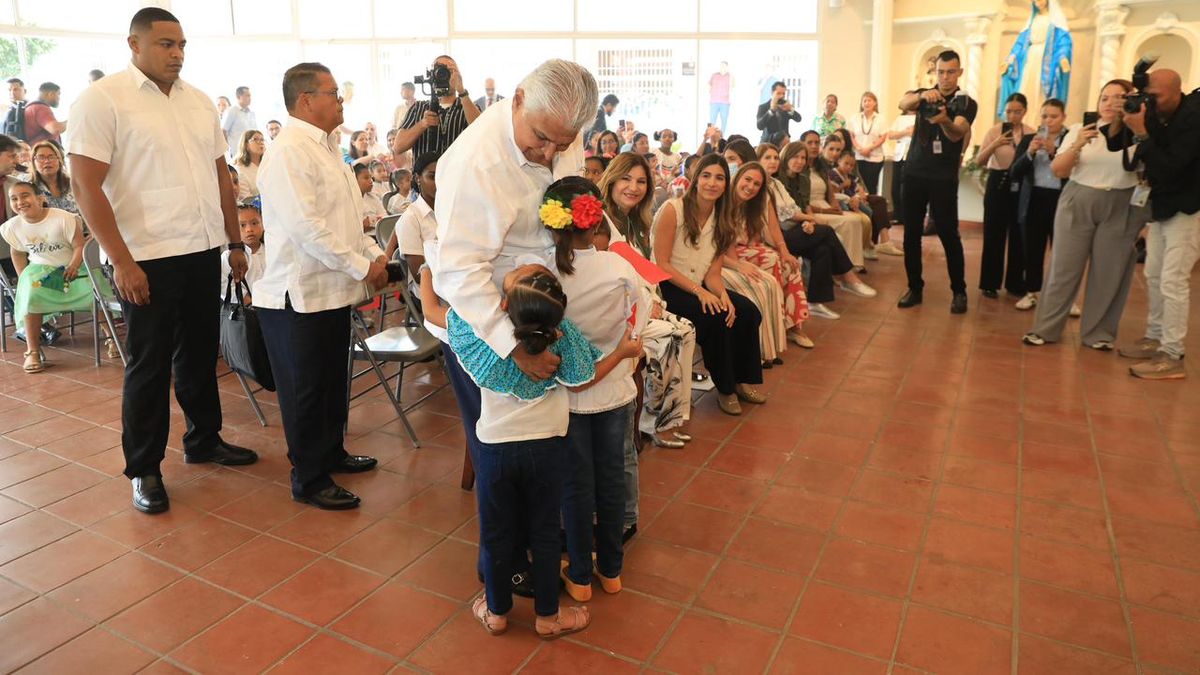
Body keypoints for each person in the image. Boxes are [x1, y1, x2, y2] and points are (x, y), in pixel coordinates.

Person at [68, 7, 258, 515]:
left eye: (181, 45)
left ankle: (204, 439)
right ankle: (144, 468)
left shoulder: (198, 101)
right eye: (165, 44)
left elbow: (220, 178)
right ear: (135, 44)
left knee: (199, 353)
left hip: (201, 249)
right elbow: (85, 187)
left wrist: (233, 242)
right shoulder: (103, 99)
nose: (176, 54)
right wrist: (121, 260)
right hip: (145, 257)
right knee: (149, 365)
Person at [433, 58, 596, 640]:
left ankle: (534, 567)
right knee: (497, 473)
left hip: (541, 308)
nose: (549, 153)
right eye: (541, 139)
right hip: (488, 325)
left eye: (563, 144)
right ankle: (498, 581)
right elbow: (457, 274)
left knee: (541, 466)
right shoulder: (475, 162)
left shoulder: (559, 136)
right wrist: (511, 347)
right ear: (519, 98)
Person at [254, 62, 387, 511]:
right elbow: (307, 229)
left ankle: (331, 452)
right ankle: (309, 477)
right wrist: (361, 267)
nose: (341, 100)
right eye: (333, 93)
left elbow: (346, 219)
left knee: (331, 380)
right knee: (305, 390)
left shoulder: (328, 147)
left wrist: (372, 255)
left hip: (332, 288)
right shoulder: (290, 151)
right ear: (306, 100)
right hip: (298, 294)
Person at [540, 176, 647, 605]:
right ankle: (612, 570)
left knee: (576, 484)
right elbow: (640, 317)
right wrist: (624, 348)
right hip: (615, 387)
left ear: (551, 222)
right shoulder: (618, 267)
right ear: (597, 221)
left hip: (568, 393)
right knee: (611, 478)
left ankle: (581, 576)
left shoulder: (544, 273)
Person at [1022, 80, 1144, 352]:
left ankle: (1098, 333)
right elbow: (1059, 170)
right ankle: (1045, 328)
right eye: (1104, 97)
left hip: (1121, 202)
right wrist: (1077, 144)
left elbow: (1146, 170)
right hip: (1078, 199)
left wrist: (1139, 129)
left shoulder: (1139, 134)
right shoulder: (1080, 129)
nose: (1110, 103)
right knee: (1063, 267)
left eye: (1119, 97)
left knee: (1110, 271)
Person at [651, 153, 765, 416]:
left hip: (698, 283)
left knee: (747, 312)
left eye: (719, 178)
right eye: (706, 176)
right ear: (695, 178)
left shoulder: (722, 219)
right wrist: (701, 292)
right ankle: (725, 389)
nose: (712, 183)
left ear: (726, 184)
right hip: (666, 286)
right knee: (715, 317)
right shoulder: (673, 209)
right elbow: (662, 265)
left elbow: (713, 272)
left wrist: (723, 295)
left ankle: (742, 381)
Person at [1119, 69, 1200, 379]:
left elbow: (1170, 166)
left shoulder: (1193, 119)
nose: (1150, 102)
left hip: (1188, 208)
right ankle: (1155, 338)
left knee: (1173, 281)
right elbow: (1136, 157)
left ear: (1177, 92)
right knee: (1153, 274)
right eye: (1147, 96)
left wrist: (1142, 132)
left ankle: (1172, 354)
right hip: (1162, 206)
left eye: (1156, 97)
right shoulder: (1158, 115)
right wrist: (1133, 124)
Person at [896, 50, 978, 313]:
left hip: (943, 178)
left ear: (959, 73)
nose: (945, 77)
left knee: (948, 234)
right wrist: (922, 96)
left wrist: (944, 121)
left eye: (951, 72)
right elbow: (902, 103)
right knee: (911, 234)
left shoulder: (966, 102)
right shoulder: (926, 94)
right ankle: (914, 288)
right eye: (941, 72)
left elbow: (957, 134)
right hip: (914, 173)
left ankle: (959, 291)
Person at [775, 140, 875, 319]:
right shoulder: (777, 180)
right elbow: (785, 214)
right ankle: (847, 277)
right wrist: (810, 219)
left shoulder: (803, 179)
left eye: (803, 158)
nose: (799, 161)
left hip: (798, 227)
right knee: (827, 232)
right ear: (786, 156)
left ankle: (815, 303)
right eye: (795, 157)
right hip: (780, 233)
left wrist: (810, 222)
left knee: (823, 249)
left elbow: (805, 206)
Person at [0, 182, 91, 373]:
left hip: (72, 266)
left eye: (25, 195)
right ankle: (32, 351)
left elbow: (79, 245)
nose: (20, 201)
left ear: (40, 199)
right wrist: (23, 277)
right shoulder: (12, 227)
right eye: (14, 198)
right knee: (30, 295)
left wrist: (73, 266)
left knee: (94, 290)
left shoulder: (64, 218)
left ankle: (110, 337)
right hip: (40, 270)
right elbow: (17, 253)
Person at [1008, 98, 1068, 311]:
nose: (1048, 121)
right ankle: (1032, 292)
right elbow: (1015, 171)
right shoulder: (1029, 139)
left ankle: (1064, 298)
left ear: (1063, 117)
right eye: (1044, 116)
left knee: (1063, 250)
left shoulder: (1071, 138)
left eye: (1054, 116)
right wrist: (1030, 153)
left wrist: (1054, 151)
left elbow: (1076, 168)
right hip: (1034, 198)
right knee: (1033, 248)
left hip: (1062, 199)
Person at [976, 92, 1034, 299]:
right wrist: (995, 144)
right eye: (1008, 111)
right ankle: (989, 283)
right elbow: (979, 161)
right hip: (998, 182)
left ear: (1025, 112)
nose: (1012, 116)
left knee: (1018, 235)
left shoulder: (1031, 133)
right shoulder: (994, 131)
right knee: (994, 234)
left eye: (1017, 112)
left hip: (1021, 184)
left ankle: (1015, 282)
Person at [393, 56, 480, 158]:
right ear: (431, 75)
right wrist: (422, 124)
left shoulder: (468, 106)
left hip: (457, 168)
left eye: (451, 70)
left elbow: (482, 133)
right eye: (439, 70)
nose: (444, 74)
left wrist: (462, 91)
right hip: (423, 168)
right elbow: (398, 147)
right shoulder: (418, 108)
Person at [999, 0, 1073, 115]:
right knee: (1026, 88)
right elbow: (1020, 44)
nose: (1038, 2)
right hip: (1030, 60)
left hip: (1046, 62)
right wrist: (1009, 60)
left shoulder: (1055, 21)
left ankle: (1041, 119)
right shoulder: (1032, 20)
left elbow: (1063, 43)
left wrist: (1063, 58)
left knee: (1040, 91)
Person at [220, 197, 266, 301]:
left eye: (254, 223)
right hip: (244, 307)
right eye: (242, 225)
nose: (249, 229)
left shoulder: (271, 251)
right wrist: (245, 299)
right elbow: (223, 283)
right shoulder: (228, 256)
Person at [849, 92, 887, 194]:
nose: (867, 103)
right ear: (861, 103)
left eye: (869, 100)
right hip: (858, 156)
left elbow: (883, 137)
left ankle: (871, 204)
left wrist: (868, 149)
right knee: (857, 185)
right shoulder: (855, 117)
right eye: (864, 101)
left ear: (875, 103)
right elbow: (851, 135)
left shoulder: (881, 118)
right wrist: (859, 149)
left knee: (871, 186)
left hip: (875, 157)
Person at [30, 140, 79, 214]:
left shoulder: (73, 184)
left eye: (51, 157)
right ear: (33, 162)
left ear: (59, 160)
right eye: (41, 157)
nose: (47, 161)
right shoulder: (29, 188)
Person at [888, 99, 916, 226]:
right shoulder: (900, 119)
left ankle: (907, 216)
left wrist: (910, 133)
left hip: (912, 155)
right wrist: (905, 132)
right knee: (895, 187)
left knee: (907, 188)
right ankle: (898, 215)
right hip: (899, 154)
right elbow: (891, 135)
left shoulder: (921, 117)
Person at [757, 81, 801, 145]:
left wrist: (790, 110)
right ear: (772, 93)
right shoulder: (763, 107)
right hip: (768, 142)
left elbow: (799, 119)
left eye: (783, 94)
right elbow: (759, 126)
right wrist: (771, 111)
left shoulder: (786, 106)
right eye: (778, 93)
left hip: (784, 142)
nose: (781, 96)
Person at [354, 162, 386, 236]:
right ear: (354, 180)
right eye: (366, 178)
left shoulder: (372, 197)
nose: (371, 181)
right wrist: (374, 221)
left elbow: (384, 218)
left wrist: (370, 222)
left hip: (379, 235)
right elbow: (356, 228)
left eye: (371, 177)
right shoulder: (350, 201)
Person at [232, 129, 265, 200]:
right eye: (255, 139)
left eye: (262, 139)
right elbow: (246, 199)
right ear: (246, 145)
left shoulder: (266, 164)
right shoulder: (240, 170)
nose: (261, 142)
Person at [708, 62, 731, 131]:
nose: (722, 67)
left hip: (725, 103)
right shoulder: (714, 75)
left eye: (724, 66)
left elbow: (733, 87)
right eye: (721, 66)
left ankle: (722, 136)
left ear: (727, 67)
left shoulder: (730, 76)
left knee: (724, 121)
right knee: (711, 121)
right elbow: (709, 84)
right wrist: (710, 92)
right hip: (714, 101)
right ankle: (710, 135)